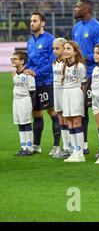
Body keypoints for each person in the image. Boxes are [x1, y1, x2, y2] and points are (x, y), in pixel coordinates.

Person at [72, 0, 99, 154]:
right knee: (81, 110)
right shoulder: (76, 28)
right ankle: (83, 144)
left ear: (86, 9)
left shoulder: (97, 27)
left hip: (94, 75)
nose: (75, 9)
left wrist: (85, 58)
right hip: (78, 76)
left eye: (78, 7)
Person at [25, 12, 61, 155]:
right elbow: (29, 61)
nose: (31, 23)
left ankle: (56, 146)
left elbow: (53, 61)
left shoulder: (50, 39)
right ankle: (36, 145)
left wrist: (37, 72)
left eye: (34, 21)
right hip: (34, 83)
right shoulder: (30, 41)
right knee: (36, 113)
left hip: (47, 81)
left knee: (52, 111)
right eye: (31, 21)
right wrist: (23, 70)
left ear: (42, 23)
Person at [61, 41, 88, 163]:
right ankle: (74, 151)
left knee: (77, 121)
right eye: (65, 49)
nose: (65, 51)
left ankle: (80, 152)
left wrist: (82, 98)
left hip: (75, 93)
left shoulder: (80, 67)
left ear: (75, 51)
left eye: (68, 49)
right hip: (66, 93)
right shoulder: (64, 66)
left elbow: (83, 84)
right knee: (69, 122)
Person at [11, 51, 36, 156]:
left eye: (15, 59)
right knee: (19, 124)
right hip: (15, 100)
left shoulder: (28, 74)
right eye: (12, 59)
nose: (12, 60)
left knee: (26, 123)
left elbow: (33, 91)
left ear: (22, 61)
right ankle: (23, 146)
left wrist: (32, 106)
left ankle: (29, 148)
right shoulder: (14, 74)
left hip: (25, 100)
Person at [52, 38, 72, 159]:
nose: (54, 51)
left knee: (67, 118)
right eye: (53, 48)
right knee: (60, 118)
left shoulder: (68, 63)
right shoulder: (55, 62)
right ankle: (65, 146)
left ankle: (71, 147)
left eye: (57, 48)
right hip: (56, 90)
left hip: (65, 91)